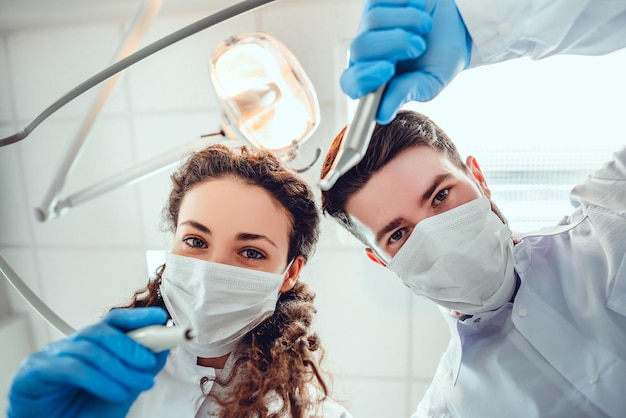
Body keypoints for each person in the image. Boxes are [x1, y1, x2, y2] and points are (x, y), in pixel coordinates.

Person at [320, 1, 626, 417]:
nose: (438, 235)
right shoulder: (447, 410)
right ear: (380, 259)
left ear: (478, 178)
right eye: (399, 234)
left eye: (441, 195)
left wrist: (481, 27)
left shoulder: (614, 214)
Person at [7, 144, 352, 418]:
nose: (210, 272)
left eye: (250, 252)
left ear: (290, 272)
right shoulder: (100, 379)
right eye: (196, 242)